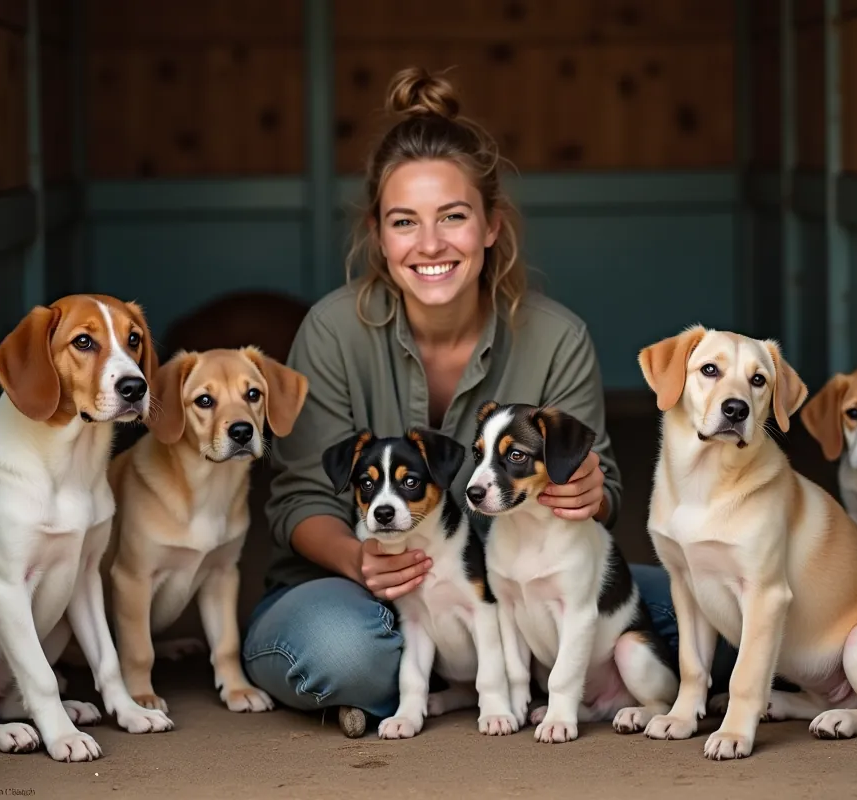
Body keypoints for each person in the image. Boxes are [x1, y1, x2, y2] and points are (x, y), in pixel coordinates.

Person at [239, 66, 729, 738]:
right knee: (341, 650)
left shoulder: (556, 336)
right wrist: (364, 560)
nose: (431, 244)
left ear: (492, 225)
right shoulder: (332, 329)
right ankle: (406, 679)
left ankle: (448, 681)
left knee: (705, 599)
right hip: (360, 588)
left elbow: (605, 494)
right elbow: (298, 498)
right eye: (404, 221)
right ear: (380, 236)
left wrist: (588, 491)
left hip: (517, 582)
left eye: (455, 217)